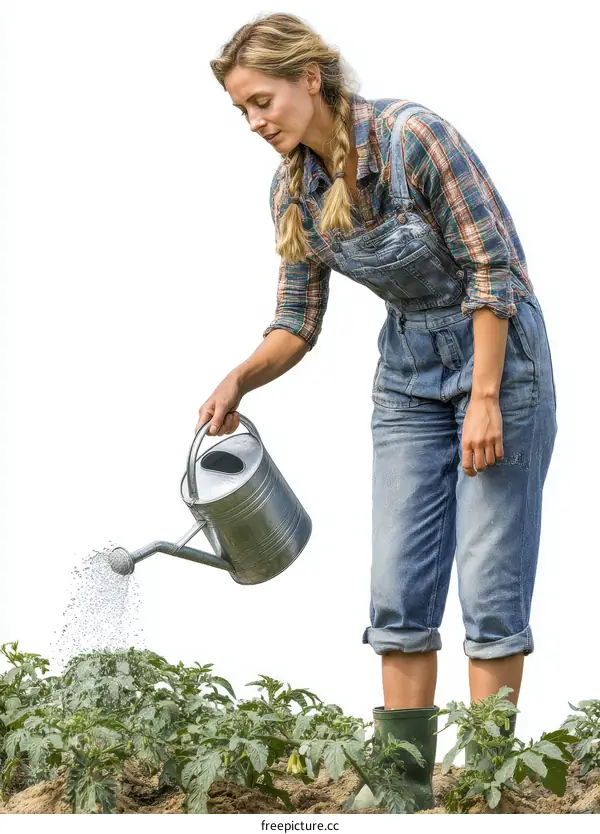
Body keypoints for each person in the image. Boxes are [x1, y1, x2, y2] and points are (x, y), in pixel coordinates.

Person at [199, 12, 557, 810]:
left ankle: (490, 790)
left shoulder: (413, 138)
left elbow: (493, 270)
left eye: (262, 102)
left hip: (499, 356)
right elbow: (296, 319)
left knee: (492, 586)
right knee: (398, 587)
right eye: (242, 112)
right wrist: (238, 380)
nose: (255, 123)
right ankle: (404, 792)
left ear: (309, 80)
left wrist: (487, 396)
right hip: (407, 377)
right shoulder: (293, 186)